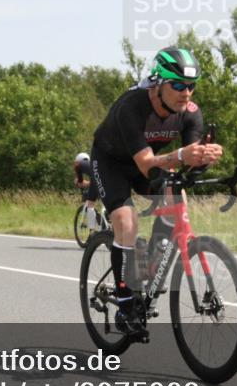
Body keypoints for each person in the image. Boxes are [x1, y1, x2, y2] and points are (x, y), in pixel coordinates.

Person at [89, 47, 223, 334]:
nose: (185, 93)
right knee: (126, 221)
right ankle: (125, 304)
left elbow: (187, 165)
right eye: (177, 85)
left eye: (190, 86)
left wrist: (203, 159)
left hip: (145, 162)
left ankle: (151, 261)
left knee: (177, 194)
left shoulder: (190, 114)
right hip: (112, 162)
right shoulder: (132, 106)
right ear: (158, 83)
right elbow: (148, 165)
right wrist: (182, 156)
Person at [73, 152, 100, 229]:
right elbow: (95, 181)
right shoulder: (92, 165)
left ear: (78, 160)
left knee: (90, 204)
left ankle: (92, 231)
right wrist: (87, 183)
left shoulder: (79, 164)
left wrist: (77, 182)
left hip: (97, 180)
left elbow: (80, 181)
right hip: (106, 178)